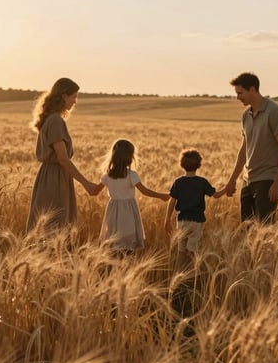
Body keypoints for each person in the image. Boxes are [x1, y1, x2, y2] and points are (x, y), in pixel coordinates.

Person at [26, 77, 98, 232]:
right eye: (74, 96)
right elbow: (63, 159)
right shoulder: (56, 121)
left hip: (50, 177)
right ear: (64, 96)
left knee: (49, 228)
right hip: (55, 179)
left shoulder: (50, 119)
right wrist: (86, 183)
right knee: (55, 228)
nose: (75, 101)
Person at [225, 72, 278, 223]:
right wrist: (232, 180)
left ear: (252, 89)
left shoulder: (274, 112)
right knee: (247, 230)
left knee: (265, 229)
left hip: (267, 181)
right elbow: (244, 150)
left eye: (240, 93)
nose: (237, 97)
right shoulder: (245, 115)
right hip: (248, 181)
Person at [94, 139, 170, 253]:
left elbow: (95, 190)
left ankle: (116, 265)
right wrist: (161, 196)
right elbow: (144, 191)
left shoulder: (107, 176)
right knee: (127, 241)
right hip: (128, 210)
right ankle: (126, 263)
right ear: (130, 158)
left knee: (114, 240)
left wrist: (84, 183)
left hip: (113, 210)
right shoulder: (131, 175)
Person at [164, 149, 226, 269]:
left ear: (182, 165)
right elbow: (216, 195)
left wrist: (167, 219)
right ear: (199, 165)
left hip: (181, 221)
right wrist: (226, 188)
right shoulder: (202, 182)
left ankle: (179, 275)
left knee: (181, 251)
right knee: (193, 250)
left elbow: (172, 201)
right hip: (197, 221)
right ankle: (195, 272)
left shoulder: (178, 182)